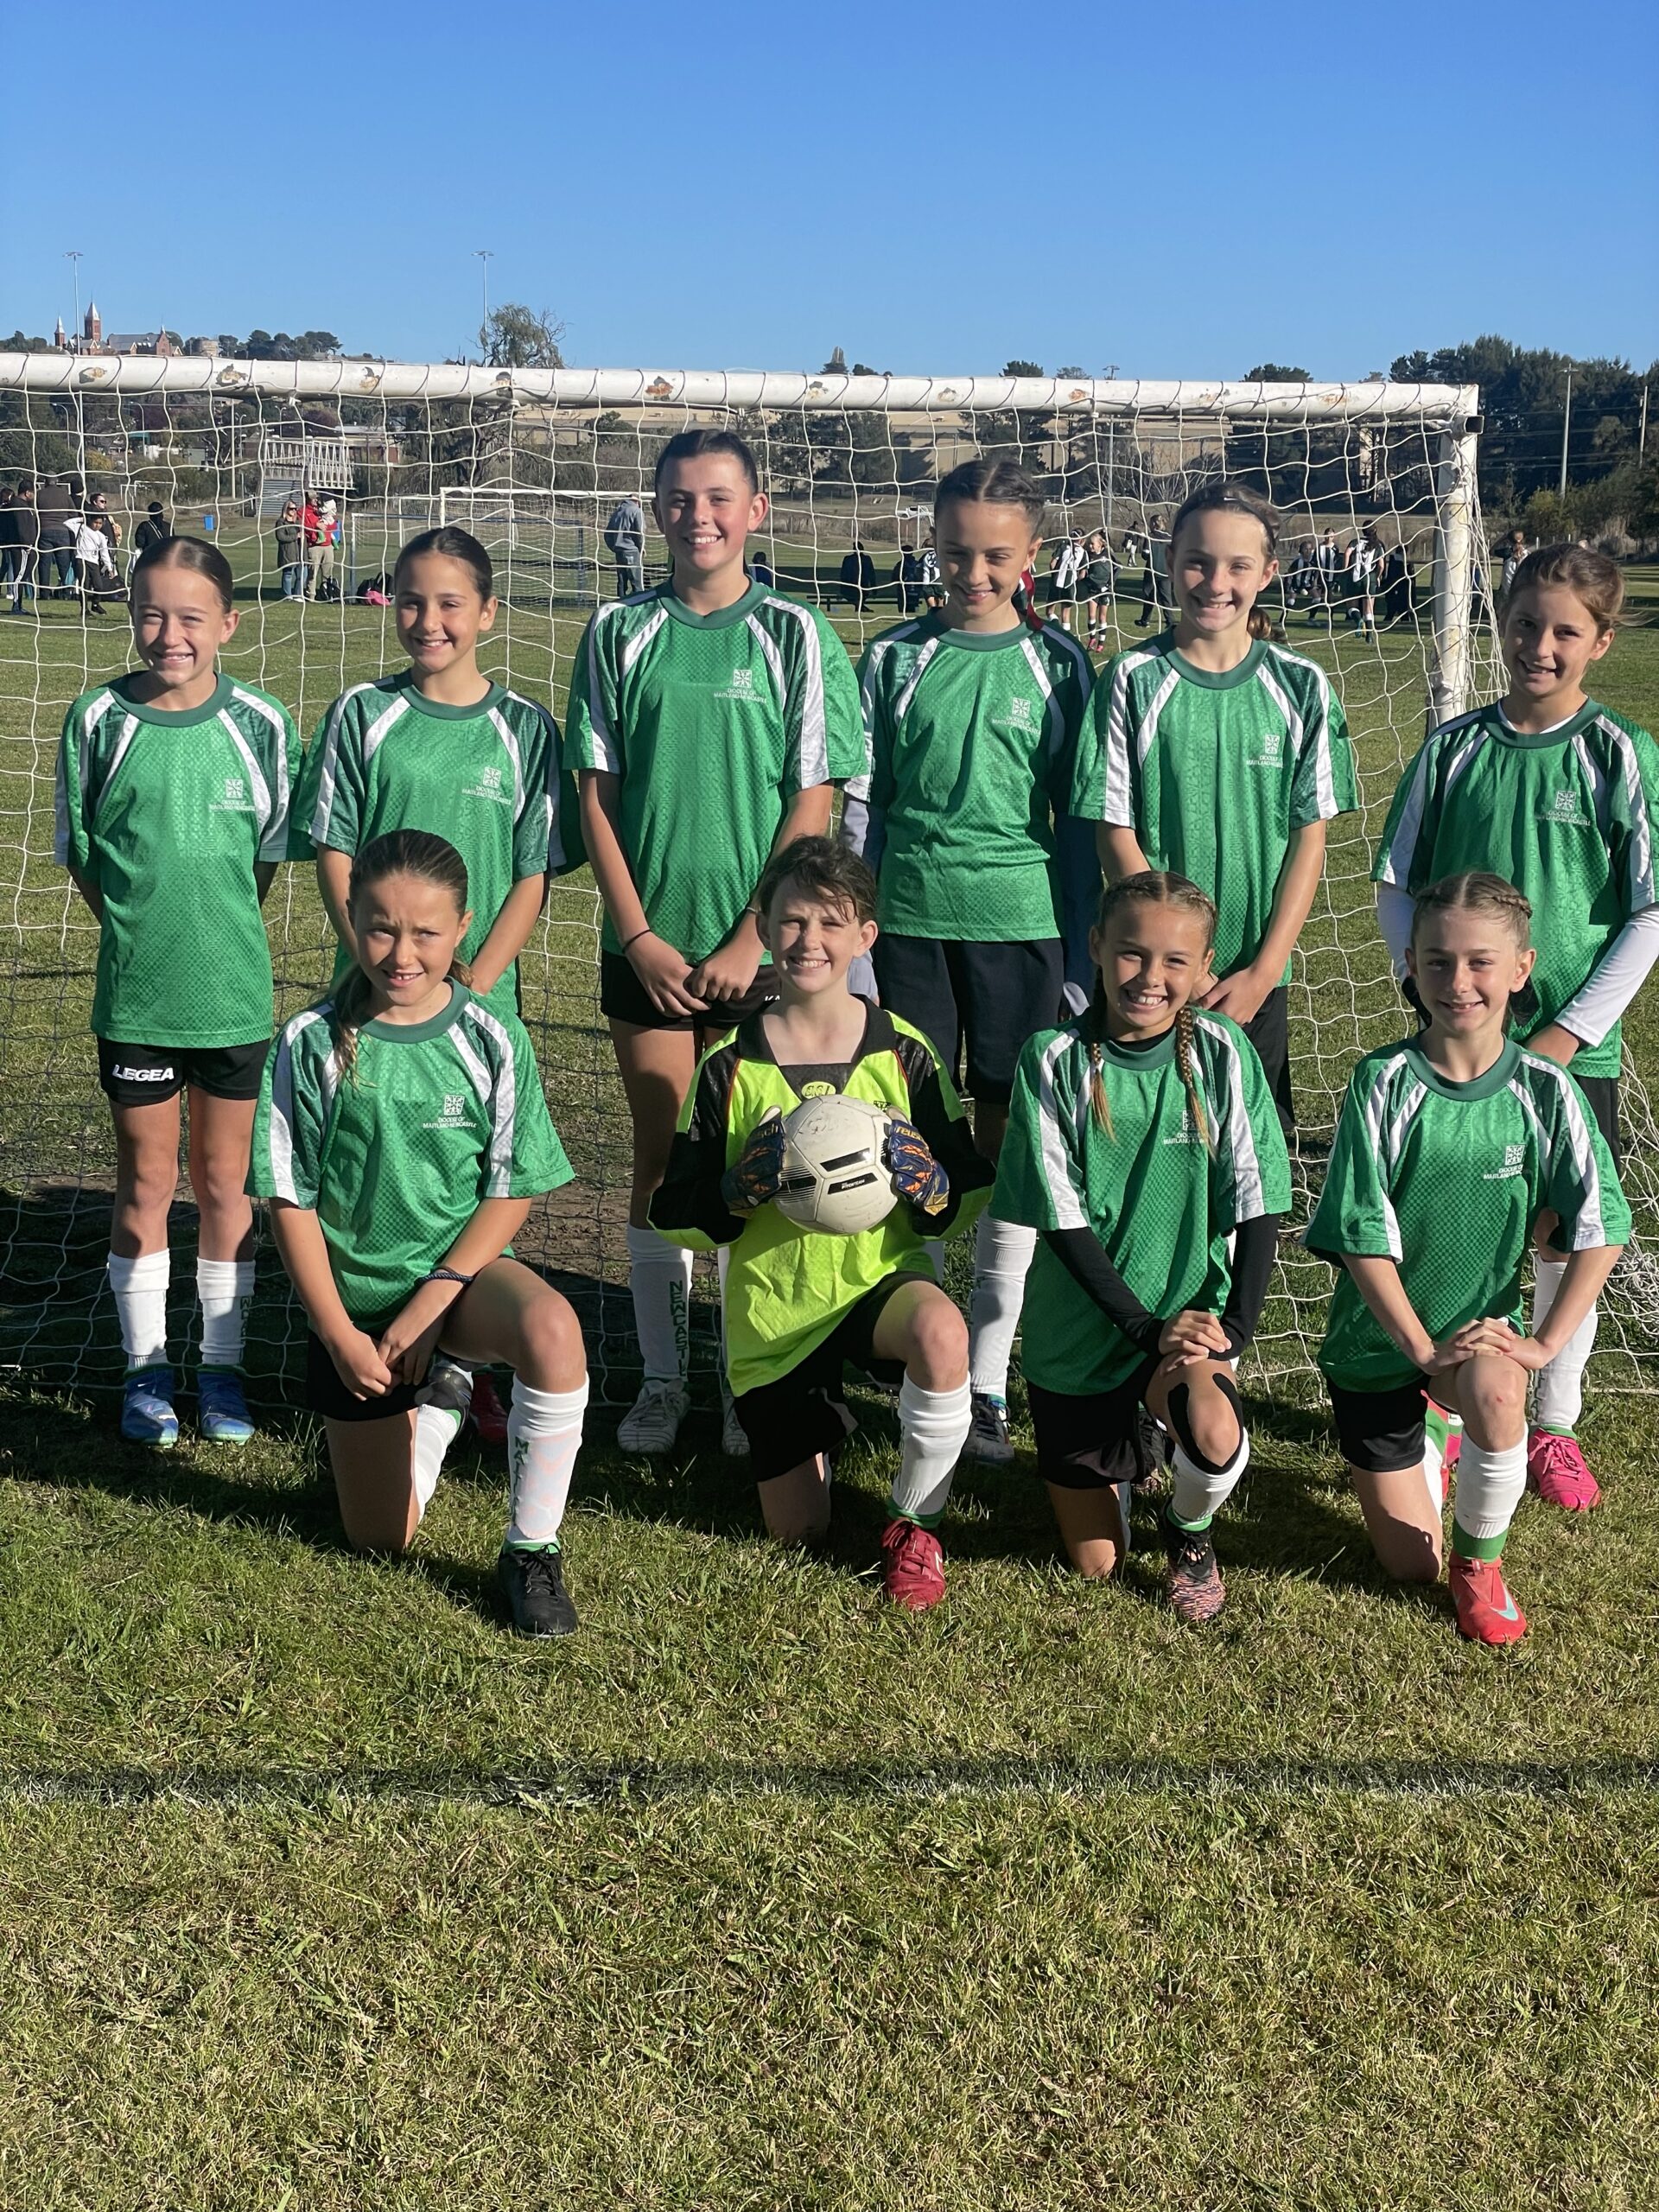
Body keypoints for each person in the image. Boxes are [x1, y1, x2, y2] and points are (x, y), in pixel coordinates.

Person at [567, 428, 865, 1459]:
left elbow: (814, 797)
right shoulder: (617, 630)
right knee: (659, 1157)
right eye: (680, 498)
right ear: (655, 510)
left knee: (764, 1161)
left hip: (765, 954)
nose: (699, 515)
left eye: (719, 497)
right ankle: (663, 1381)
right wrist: (639, 934)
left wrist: (752, 934)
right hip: (648, 950)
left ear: (757, 510)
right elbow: (595, 794)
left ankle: (749, 1376)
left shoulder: (796, 632)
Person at [1371, 543, 1659, 1511]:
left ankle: (1555, 1424)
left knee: (1564, 1235)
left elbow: (1651, 910)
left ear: (1601, 642)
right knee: (1458, 1221)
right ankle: (1453, 1400)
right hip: (1459, 1045)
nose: (1540, 645)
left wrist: (1567, 1035)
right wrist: (1429, 994)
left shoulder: (1619, 752)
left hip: (1572, 1054)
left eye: (1565, 630)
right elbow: (1395, 882)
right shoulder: (1453, 750)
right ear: (1501, 624)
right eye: (1526, 623)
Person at [249, 829, 589, 1637]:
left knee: (554, 1329)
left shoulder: (493, 1036)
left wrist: (431, 1306)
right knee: (381, 1539)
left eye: (426, 933)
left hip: (459, 1284)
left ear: (463, 927)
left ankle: (531, 1551)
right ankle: (444, 1400)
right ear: (350, 916)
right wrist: (340, 1336)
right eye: (381, 928)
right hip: (357, 1310)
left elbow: (511, 1191)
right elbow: (290, 1202)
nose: (402, 955)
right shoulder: (308, 1041)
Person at [651, 836, 992, 1608]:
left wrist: (935, 1188)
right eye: (793, 921)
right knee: (800, 1534)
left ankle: (915, 1527)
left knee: (943, 1333)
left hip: (878, 1287)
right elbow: (671, 1211)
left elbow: (970, 1186)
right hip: (777, 1316)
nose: (810, 940)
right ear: (764, 929)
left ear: (865, 937)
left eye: (831, 923)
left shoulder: (904, 1052)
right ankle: (818, 1428)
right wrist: (734, 1193)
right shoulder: (728, 1065)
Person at [841, 457, 1096, 1466]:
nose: (974, 572)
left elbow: (1078, 824)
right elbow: (864, 809)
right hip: (907, 925)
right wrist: (857, 941)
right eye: (956, 551)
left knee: (1005, 1141)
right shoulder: (894, 658)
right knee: (901, 1135)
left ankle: (985, 1376)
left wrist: (1077, 960)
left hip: (1020, 930)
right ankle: (916, 1345)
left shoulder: (1061, 663)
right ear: (933, 545)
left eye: (996, 554)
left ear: (1032, 553)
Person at [1307, 873, 1629, 1645]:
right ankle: (1429, 1425)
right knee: (1407, 1567)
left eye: (1481, 962)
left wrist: (1542, 1345)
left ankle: (1481, 1569)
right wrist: (1420, 1350)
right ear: (1411, 965)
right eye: (1440, 961)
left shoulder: (1546, 1089)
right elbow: (1360, 1237)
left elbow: (1603, 1226)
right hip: (1379, 1348)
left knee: (1499, 1386)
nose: (1459, 982)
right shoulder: (1381, 1082)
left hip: (1476, 1341)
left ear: (1521, 968)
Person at [54, 536, 300, 1448]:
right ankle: (146, 1368)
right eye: (151, 614)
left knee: (226, 1185)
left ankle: (222, 1369)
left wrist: (212, 935)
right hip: (138, 1002)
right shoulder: (96, 721)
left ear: (228, 623)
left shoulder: (264, 724)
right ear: (131, 616)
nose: (170, 634)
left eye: (191, 617)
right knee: (147, 1182)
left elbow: (265, 860)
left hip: (233, 999)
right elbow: (85, 855)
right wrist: (139, 929)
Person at [992, 871, 1290, 1620]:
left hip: (1181, 1331)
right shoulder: (1051, 1059)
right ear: (1096, 945)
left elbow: (1258, 1200)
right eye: (1132, 953)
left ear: (1205, 967)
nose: (1150, 977)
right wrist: (1142, 1328)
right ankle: (1136, 1452)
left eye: (1175, 961)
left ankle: (1189, 1528)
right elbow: (1061, 1222)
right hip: (1081, 1338)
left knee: (1215, 1431)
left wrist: (1234, 1332)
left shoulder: (1222, 1052)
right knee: (1099, 1566)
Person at [1071, 480, 1357, 1141]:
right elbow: (1113, 831)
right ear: (1170, 561)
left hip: (1255, 976)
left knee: (1252, 1146)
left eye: (1237, 566)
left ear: (1269, 572)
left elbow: (1308, 840)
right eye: (1198, 562)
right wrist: (1183, 963)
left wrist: (1265, 970)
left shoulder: (1301, 686)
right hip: (1151, 971)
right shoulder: (1131, 680)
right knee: (1147, 1138)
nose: (1216, 582)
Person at [72, 507, 121, 616]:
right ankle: (84, 609)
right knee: (84, 585)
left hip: (94, 563)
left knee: (99, 586)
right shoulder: (81, 528)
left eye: (100, 523)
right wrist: (82, 519)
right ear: (90, 521)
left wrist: (110, 568)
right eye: (95, 522)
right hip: (81, 560)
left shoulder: (101, 536)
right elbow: (67, 523)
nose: (97, 525)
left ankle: (95, 604)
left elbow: (104, 553)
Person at [602, 493, 646, 598]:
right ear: (637, 501)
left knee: (622, 582)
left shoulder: (617, 513)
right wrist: (641, 548)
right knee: (637, 583)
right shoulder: (637, 511)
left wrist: (614, 547)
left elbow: (607, 534)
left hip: (619, 552)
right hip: (632, 551)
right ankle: (638, 604)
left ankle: (621, 603)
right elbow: (640, 532)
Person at [1045, 531, 1086, 634]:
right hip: (1070, 585)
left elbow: (1052, 564)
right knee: (1066, 615)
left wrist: (1054, 575)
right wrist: (1075, 580)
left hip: (1056, 583)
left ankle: (1055, 627)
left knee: (1049, 612)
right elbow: (1082, 574)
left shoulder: (1063, 547)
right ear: (1082, 540)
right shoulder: (1083, 552)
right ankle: (1065, 636)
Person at [1133, 519, 1169, 630]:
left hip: (1152, 571)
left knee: (1149, 596)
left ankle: (1145, 621)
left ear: (1153, 524)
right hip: (1166, 572)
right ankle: (1170, 621)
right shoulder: (1169, 537)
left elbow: (1145, 555)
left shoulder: (1150, 536)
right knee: (1166, 598)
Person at [1083, 530, 1116, 650]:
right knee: (1091, 615)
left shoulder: (1108, 554)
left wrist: (1109, 584)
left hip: (1105, 590)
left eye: (1093, 544)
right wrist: (1086, 580)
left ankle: (1101, 644)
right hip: (1093, 590)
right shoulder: (1087, 555)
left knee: (1102, 617)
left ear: (1100, 544)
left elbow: (1118, 567)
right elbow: (1083, 572)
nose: (1090, 546)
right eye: (1089, 544)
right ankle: (1092, 638)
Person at [306, 496, 340, 601]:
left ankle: (326, 594)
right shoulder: (305, 511)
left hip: (328, 546)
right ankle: (311, 596)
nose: (316, 501)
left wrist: (327, 524)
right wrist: (316, 525)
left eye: (317, 499)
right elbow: (303, 525)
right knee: (312, 573)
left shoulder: (326, 512)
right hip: (315, 547)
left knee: (327, 573)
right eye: (313, 499)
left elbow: (334, 527)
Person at [273, 499, 305, 598]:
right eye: (291, 509)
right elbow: (280, 537)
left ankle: (298, 595)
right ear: (286, 509)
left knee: (302, 575)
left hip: (299, 552)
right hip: (287, 552)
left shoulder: (298, 522)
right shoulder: (281, 522)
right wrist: (296, 536)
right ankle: (287, 595)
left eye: (295, 509)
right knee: (288, 574)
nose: (294, 511)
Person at [840, 537, 877, 615]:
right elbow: (872, 574)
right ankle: (862, 608)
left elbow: (871, 573)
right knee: (857, 595)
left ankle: (861, 608)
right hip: (852, 585)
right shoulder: (850, 559)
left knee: (860, 595)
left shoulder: (865, 559)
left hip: (860, 585)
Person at [1501, 530, 1530, 596]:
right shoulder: (1531, 557)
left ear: (1509, 542)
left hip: (1512, 596)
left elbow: (1507, 585)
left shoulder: (1508, 559)